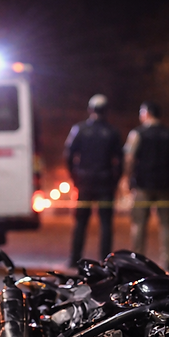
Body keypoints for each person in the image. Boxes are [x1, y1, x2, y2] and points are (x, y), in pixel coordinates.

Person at [63, 94, 124, 267]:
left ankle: (75, 259)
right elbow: (120, 160)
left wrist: (74, 176)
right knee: (106, 224)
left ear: (90, 109)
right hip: (105, 182)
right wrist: (115, 180)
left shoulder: (79, 129)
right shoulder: (112, 132)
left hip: (85, 182)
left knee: (80, 222)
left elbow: (68, 154)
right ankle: (106, 261)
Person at [124, 101, 169, 271]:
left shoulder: (138, 133)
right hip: (164, 185)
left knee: (139, 224)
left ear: (147, 113)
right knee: (166, 225)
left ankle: (137, 259)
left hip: (142, 185)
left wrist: (128, 178)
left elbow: (129, 157)